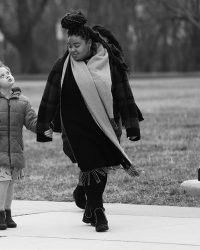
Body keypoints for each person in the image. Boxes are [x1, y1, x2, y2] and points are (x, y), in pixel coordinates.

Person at [36, 11, 143, 232]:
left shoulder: (108, 61)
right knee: (90, 164)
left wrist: (131, 125)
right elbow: (50, 95)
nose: (72, 50)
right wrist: (43, 127)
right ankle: (98, 210)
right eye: (69, 45)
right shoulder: (63, 65)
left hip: (106, 123)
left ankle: (85, 197)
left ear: (89, 43)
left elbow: (123, 93)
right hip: (74, 126)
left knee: (101, 164)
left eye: (76, 45)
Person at [0, 61, 51, 230]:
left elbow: (32, 122)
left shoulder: (22, 101)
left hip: (15, 150)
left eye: (8, 72)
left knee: (10, 183)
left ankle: (7, 212)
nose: (8, 75)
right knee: (3, 180)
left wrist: (43, 128)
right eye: (2, 75)